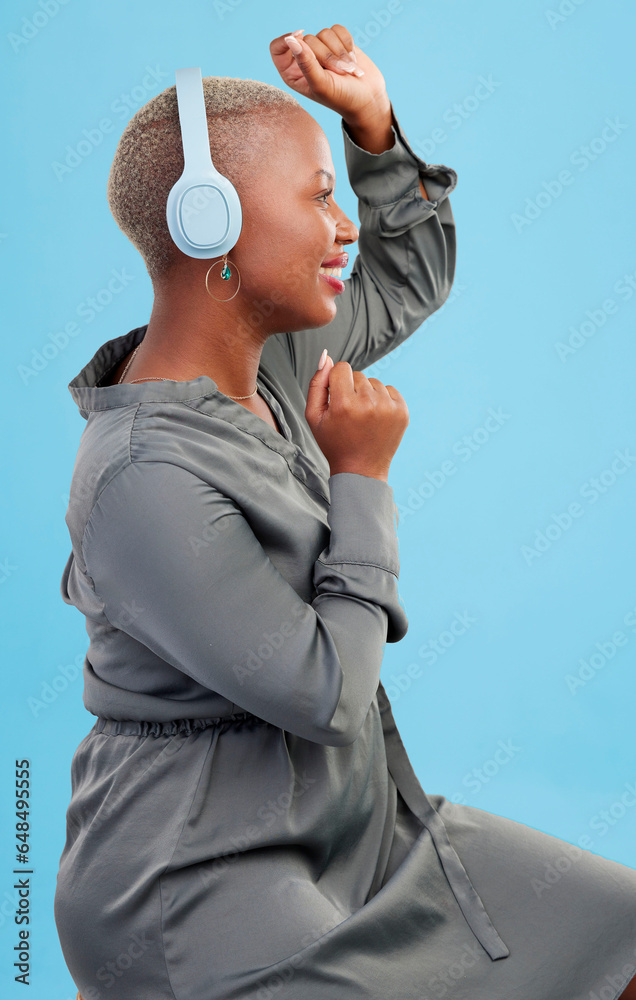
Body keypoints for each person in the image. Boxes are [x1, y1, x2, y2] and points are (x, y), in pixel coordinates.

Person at [54, 24, 636, 1000]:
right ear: (212, 224)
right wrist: (362, 477)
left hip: (365, 832)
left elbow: (409, 277)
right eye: (318, 195)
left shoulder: (270, 366)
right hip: (201, 877)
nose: (344, 224)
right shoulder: (138, 476)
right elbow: (325, 693)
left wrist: (372, 128)